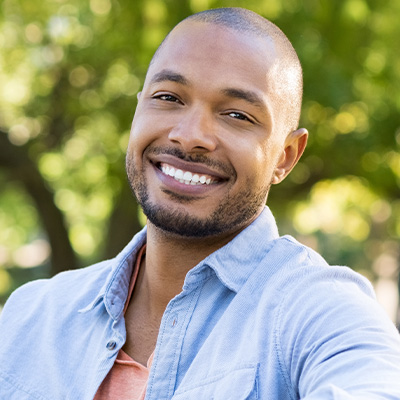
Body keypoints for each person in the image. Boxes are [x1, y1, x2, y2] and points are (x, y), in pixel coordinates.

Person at [1, 7, 400, 400]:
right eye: (168, 97)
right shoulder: (31, 316)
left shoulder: (319, 313)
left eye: (236, 115)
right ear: (139, 108)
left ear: (285, 156)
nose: (190, 135)